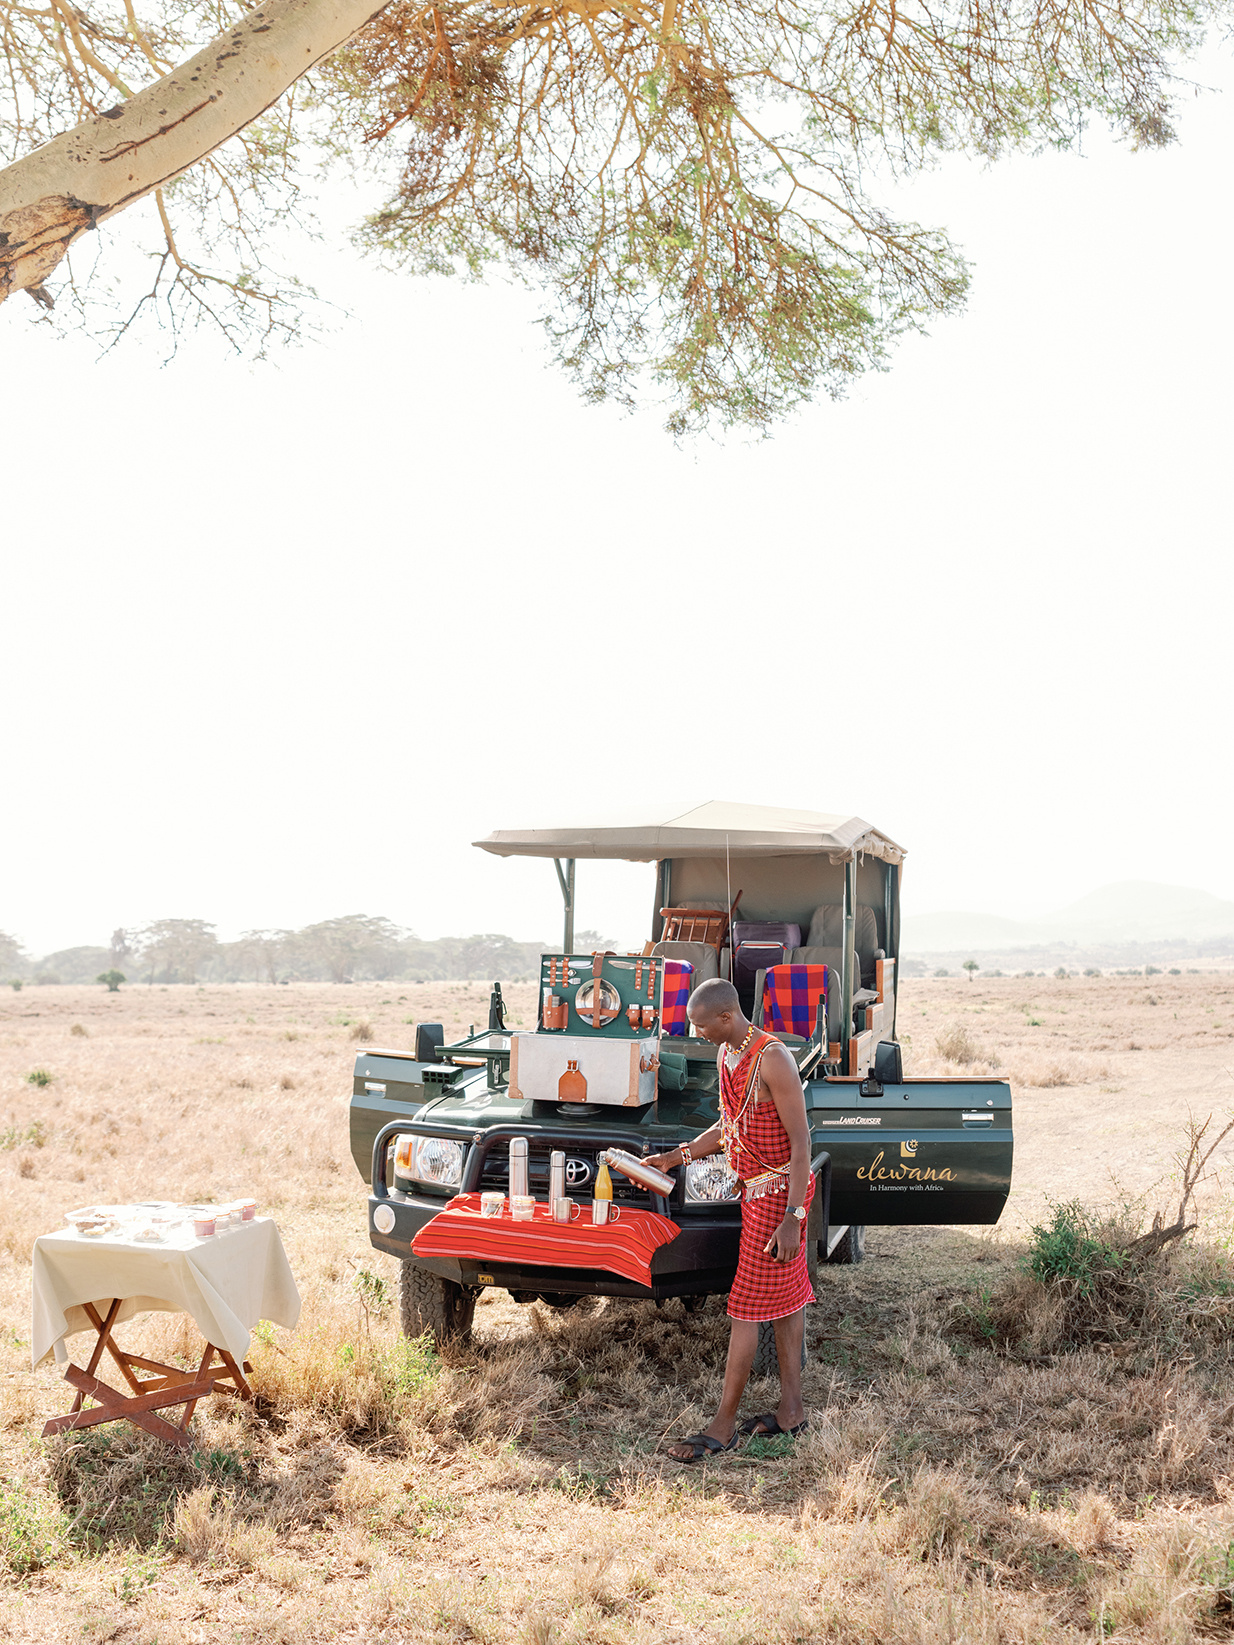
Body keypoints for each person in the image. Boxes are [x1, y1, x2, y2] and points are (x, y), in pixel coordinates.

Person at [645, 976, 814, 1463]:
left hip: (780, 1195)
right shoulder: (727, 1055)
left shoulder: (774, 1058)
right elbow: (728, 1126)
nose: (696, 1033)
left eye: (700, 1025)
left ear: (726, 1016)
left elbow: (802, 1143)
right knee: (783, 1304)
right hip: (758, 1193)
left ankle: (723, 1426)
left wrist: (793, 1218)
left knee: (744, 1310)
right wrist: (673, 1159)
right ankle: (792, 1411)